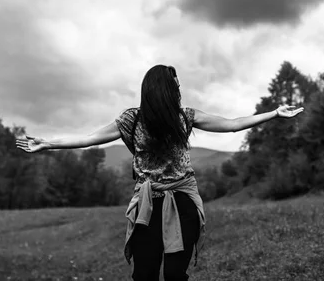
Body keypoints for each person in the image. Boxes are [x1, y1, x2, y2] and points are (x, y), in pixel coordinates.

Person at [16, 64, 304, 281]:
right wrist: (48, 143)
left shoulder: (185, 117)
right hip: (147, 204)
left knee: (176, 275)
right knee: (144, 273)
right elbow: (90, 138)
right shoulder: (132, 119)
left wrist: (274, 114)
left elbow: (231, 124)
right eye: (176, 85)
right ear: (164, 89)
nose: (179, 90)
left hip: (183, 199)